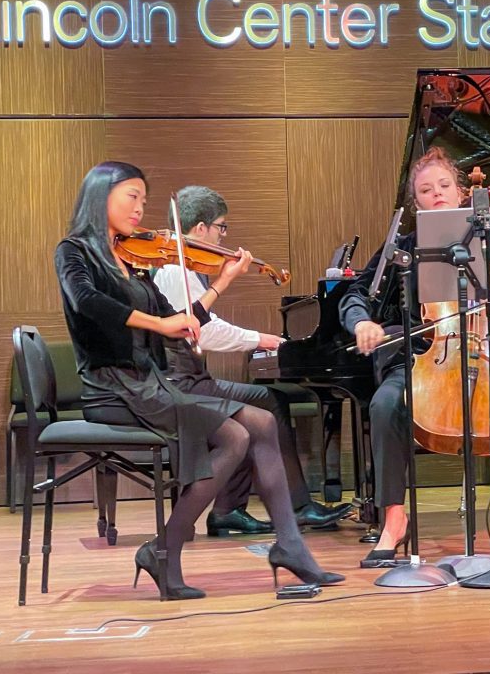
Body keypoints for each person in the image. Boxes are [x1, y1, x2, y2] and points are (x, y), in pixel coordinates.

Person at [54, 161, 344, 599]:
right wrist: (158, 324)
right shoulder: (74, 251)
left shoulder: (131, 259)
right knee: (233, 437)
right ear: (100, 196)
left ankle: (290, 546)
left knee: (262, 424)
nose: (140, 209)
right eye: (131, 197)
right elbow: (88, 301)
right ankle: (165, 549)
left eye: (144, 201)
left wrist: (221, 283)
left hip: (149, 382)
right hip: (113, 386)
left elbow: (182, 321)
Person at [339, 147, 490, 563]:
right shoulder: (406, 246)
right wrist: (361, 322)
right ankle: (394, 518)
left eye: (444, 186)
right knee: (387, 402)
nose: (437, 194)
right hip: (422, 356)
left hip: (486, 354)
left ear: (463, 193)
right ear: (417, 202)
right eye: (426, 190)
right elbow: (355, 291)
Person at [153, 185, 352, 534]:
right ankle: (295, 507)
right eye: (221, 227)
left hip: (187, 380)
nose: (223, 235)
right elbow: (203, 330)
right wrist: (259, 339)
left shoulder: (184, 266)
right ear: (201, 229)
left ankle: (230, 509)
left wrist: (257, 339)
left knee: (262, 403)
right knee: (267, 402)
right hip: (178, 385)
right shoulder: (174, 270)